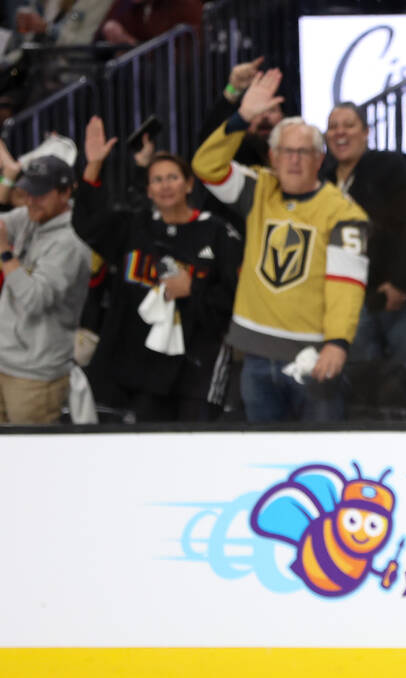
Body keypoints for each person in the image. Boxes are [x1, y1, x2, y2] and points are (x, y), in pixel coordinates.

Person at [192, 69, 370, 423]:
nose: (293, 159)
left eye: (304, 152)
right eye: (285, 151)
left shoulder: (344, 212)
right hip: (256, 354)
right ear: (272, 157)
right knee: (264, 459)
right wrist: (241, 117)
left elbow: (346, 287)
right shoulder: (258, 189)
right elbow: (205, 166)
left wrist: (337, 342)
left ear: (319, 160)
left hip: (313, 356)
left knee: (318, 462)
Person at [72, 117, 241, 422]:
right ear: (147, 189)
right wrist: (93, 165)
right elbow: (87, 224)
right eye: (157, 180)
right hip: (140, 369)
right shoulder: (134, 227)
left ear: (189, 184)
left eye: (173, 177)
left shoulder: (217, 233)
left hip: (195, 369)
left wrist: (194, 289)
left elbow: (234, 297)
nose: (165, 186)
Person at [323, 102, 406, 418]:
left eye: (348, 125)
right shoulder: (324, 179)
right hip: (348, 298)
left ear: (366, 132)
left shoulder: (389, 166)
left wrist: (399, 283)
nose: (340, 132)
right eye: (333, 126)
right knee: (359, 382)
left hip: (396, 296)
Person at [0, 155, 92, 423]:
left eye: (40, 195)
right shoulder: (32, 216)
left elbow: (35, 299)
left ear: (65, 192)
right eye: (28, 193)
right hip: (5, 359)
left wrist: (6, 254)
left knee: (30, 461)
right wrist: (7, 173)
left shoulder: (72, 241)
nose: (30, 201)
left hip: (36, 374)